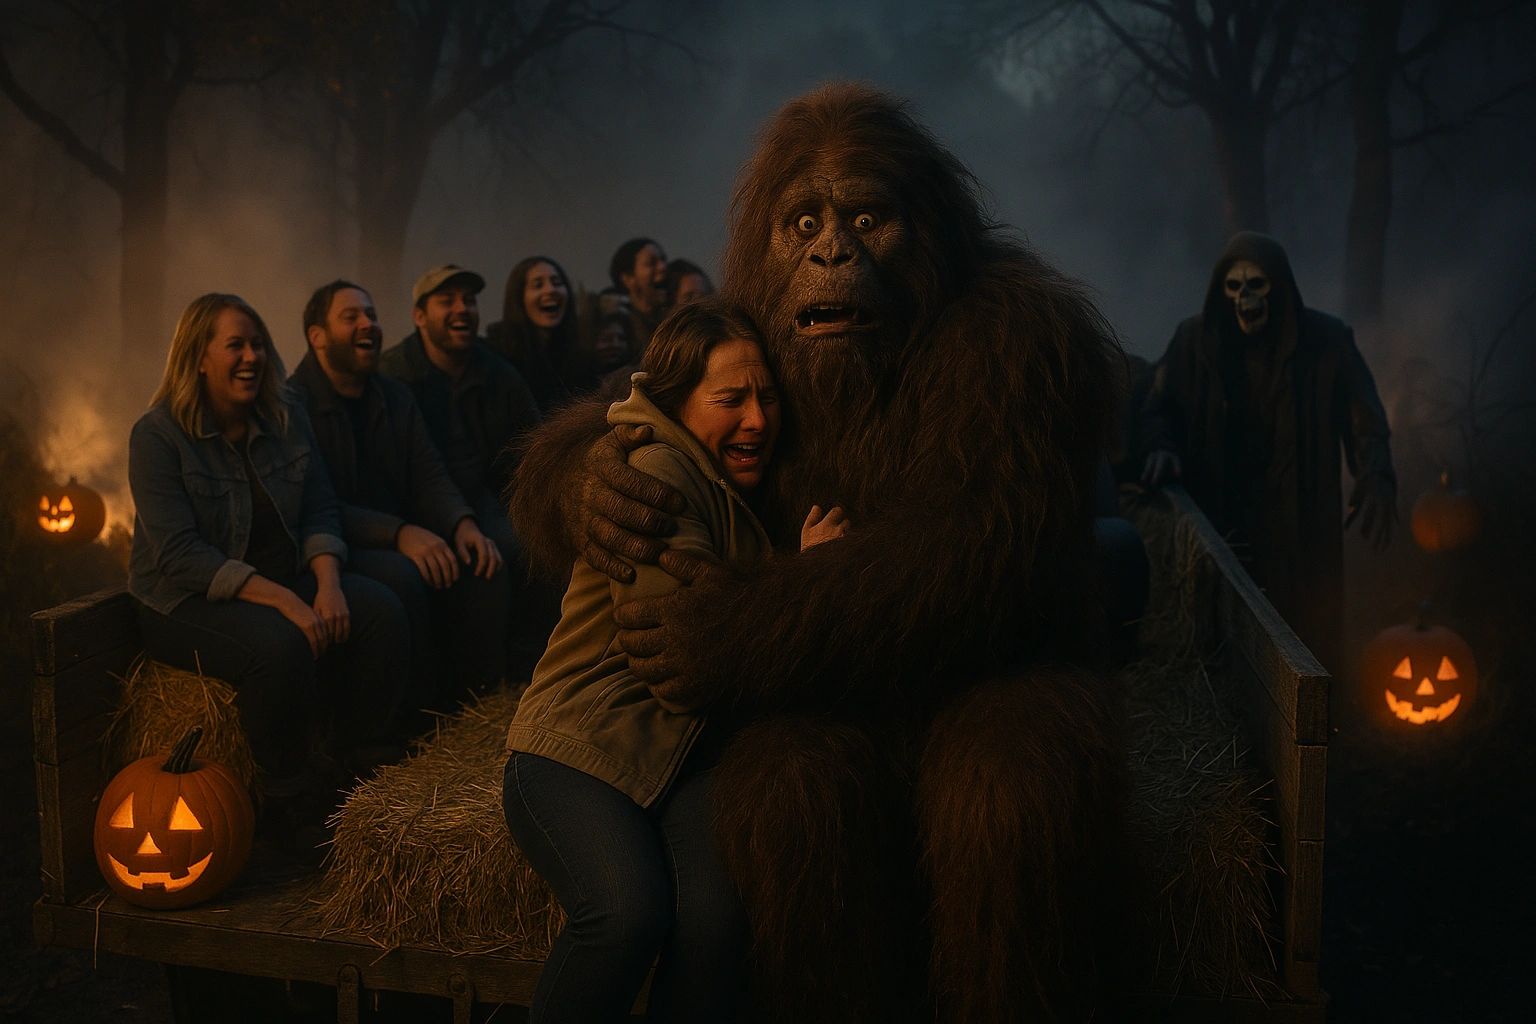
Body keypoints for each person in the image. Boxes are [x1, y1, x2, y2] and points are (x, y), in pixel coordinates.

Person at [502, 299, 849, 1023]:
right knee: (626, 914)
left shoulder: (727, 482)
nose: (758, 419)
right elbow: (697, 640)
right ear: (675, 403)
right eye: (731, 400)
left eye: (768, 397)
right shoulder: (655, 473)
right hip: (580, 752)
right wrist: (808, 578)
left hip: (682, 761)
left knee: (718, 930)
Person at [128, 292, 408, 820]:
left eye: (258, 344)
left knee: (378, 611)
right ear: (199, 358)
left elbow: (321, 509)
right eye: (235, 346)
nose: (252, 357)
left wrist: (327, 585)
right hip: (186, 599)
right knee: (278, 649)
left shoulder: (284, 413)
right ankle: (286, 801)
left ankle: (362, 772)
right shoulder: (158, 436)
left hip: (275, 577)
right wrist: (286, 602)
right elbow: (180, 554)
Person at [1140, 231, 1397, 671]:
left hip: (1299, 522)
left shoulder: (1327, 343)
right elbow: (1156, 408)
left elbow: (1365, 416)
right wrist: (1161, 446)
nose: (1245, 300)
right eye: (1234, 287)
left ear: (1279, 286)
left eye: (1256, 285)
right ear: (1221, 292)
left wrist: (1374, 471)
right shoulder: (1195, 342)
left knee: (1305, 638)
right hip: (1225, 517)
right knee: (1221, 641)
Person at [289, 280, 510, 708]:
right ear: (317, 337)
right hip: (331, 544)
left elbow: (428, 473)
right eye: (350, 316)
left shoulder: (393, 394)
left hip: (403, 530)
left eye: (370, 314)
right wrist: (399, 533)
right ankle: (412, 719)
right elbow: (314, 504)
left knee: (483, 559)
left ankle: (481, 707)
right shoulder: (293, 405)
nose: (368, 324)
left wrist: (461, 523)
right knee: (402, 576)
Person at [380, 264, 552, 675]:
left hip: (479, 498)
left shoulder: (496, 372)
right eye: (447, 301)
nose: (462, 309)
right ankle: (479, 688)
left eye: (469, 300)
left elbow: (535, 447)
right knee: (485, 563)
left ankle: (532, 674)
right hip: (411, 506)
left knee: (535, 546)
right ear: (419, 316)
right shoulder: (394, 377)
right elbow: (410, 470)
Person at [485, 256, 582, 414]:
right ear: (519, 298)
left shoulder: (577, 354)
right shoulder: (499, 357)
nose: (550, 290)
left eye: (557, 283)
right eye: (538, 285)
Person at [607, 237, 668, 355]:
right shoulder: (620, 328)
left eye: (663, 260)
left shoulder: (666, 319)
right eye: (651, 263)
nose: (663, 267)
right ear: (628, 278)